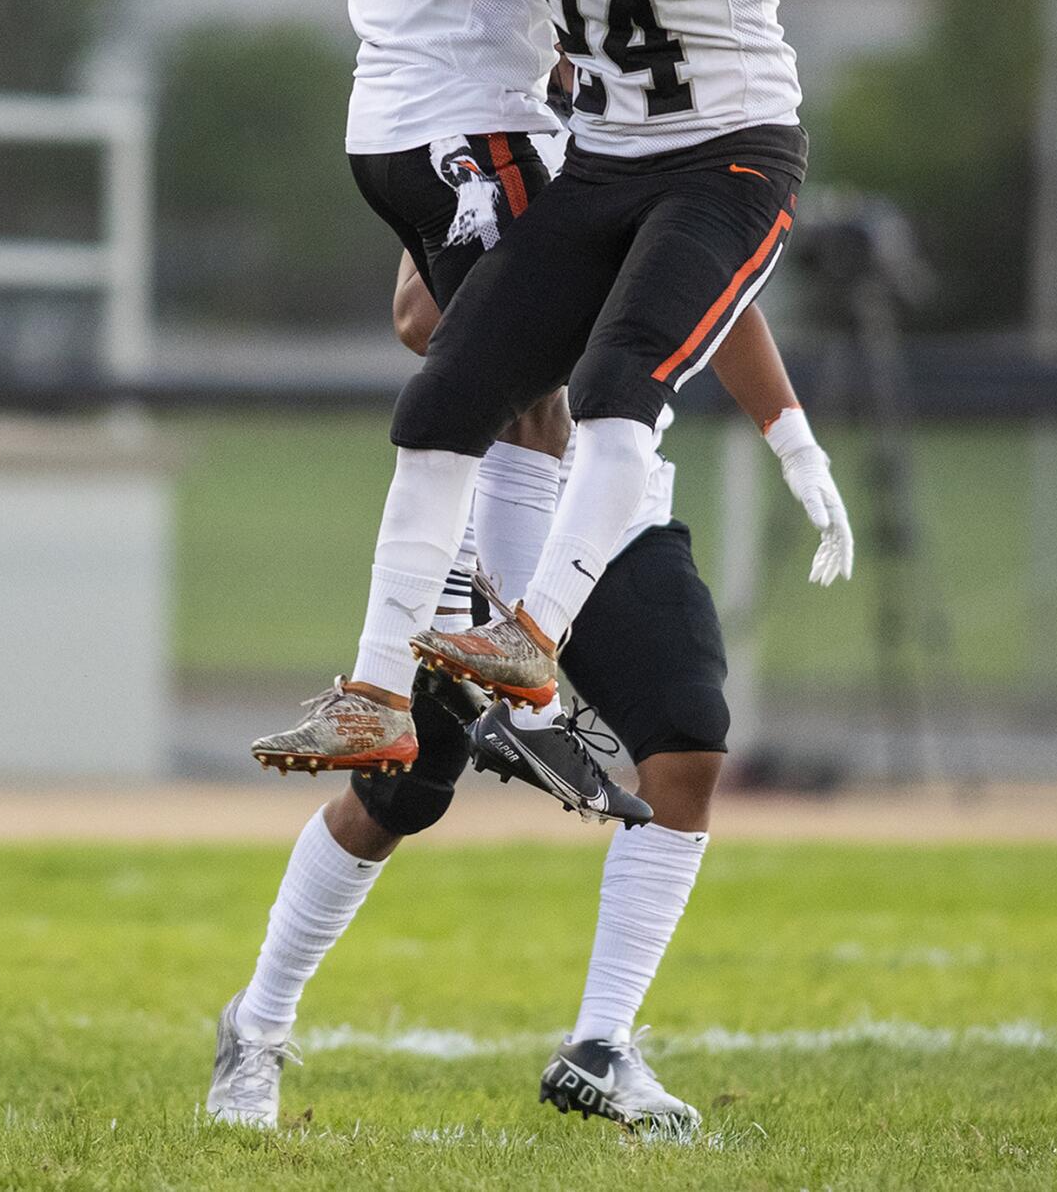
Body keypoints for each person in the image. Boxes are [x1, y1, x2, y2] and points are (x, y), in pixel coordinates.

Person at [255, 0, 863, 813]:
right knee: (442, 393)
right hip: (605, 159)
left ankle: (532, 644)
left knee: (609, 383)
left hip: (725, 154)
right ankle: (379, 692)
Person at [210, 244, 852, 1135]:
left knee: (690, 735)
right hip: (484, 515)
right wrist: (570, 297)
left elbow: (721, 294)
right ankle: (258, 1022)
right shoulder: (492, 116)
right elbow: (416, 316)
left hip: (614, 506)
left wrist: (794, 441)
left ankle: (601, 1043)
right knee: (402, 793)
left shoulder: (661, 132)